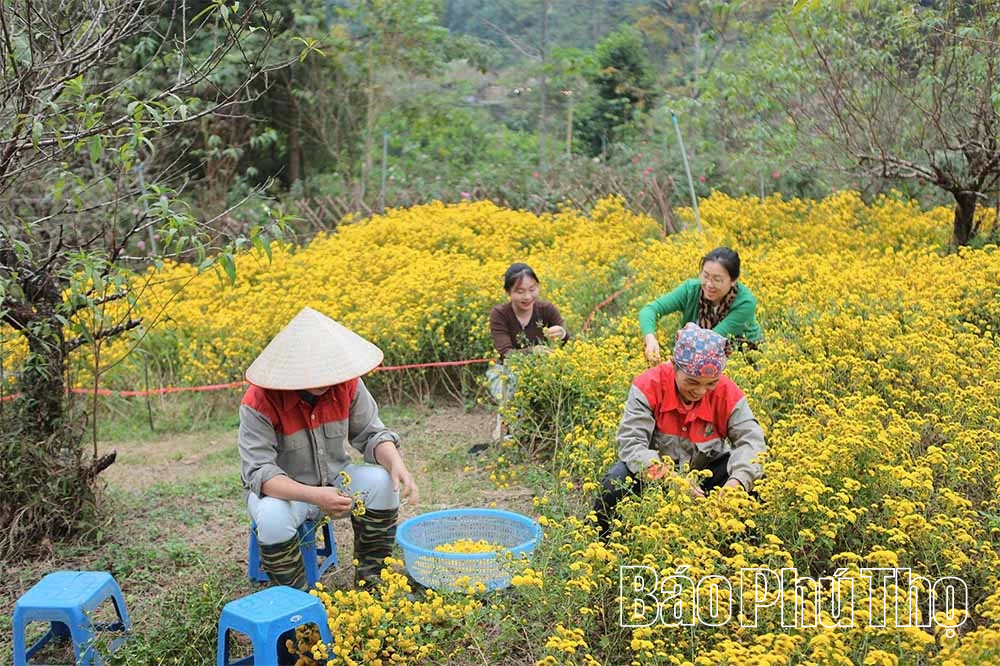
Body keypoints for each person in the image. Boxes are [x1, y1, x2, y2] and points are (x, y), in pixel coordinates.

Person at [238, 307, 418, 589]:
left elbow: (372, 433)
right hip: (287, 493)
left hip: (336, 480)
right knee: (272, 518)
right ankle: (295, 601)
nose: (324, 381)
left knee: (384, 482)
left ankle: (372, 580)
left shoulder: (347, 385)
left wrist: (396, 464)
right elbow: (260, 473)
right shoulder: (260, 401)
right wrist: (315, 496)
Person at [593, 323, 766, 537]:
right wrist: (674, 480)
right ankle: (602, 539)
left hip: (705, 473)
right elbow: (632, 445)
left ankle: (737, 545)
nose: (701, 391)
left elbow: (752, 442)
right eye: (692, 382)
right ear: (674, 366)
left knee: (759, 482)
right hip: (656, 476)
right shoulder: (649, 385)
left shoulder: (727, 392)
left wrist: (737, 482)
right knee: (616, 481)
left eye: (711, 383)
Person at [484, 263, 569, 442]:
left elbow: (566, 339)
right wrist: (534, 351)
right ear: (509, 292)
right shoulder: (499, 314)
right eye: (520, 291)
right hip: (507, 371)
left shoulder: (547, 310)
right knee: (511, 382)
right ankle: (506, 425)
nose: (527, 296)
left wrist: (561, 333)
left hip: (543, 368)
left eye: (532, 289)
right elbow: (506, 353)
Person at [639, 247, 763, 364]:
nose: (709, 284)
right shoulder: (691, 290)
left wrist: (674, 364)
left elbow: (710, 341)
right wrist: (650, 338)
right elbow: (650, 310)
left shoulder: (745, 303)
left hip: (742, 359)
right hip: (693, 355)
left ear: (733, 280)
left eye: (717, 280)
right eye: (705, 276)